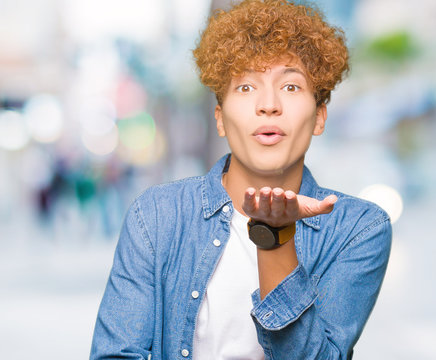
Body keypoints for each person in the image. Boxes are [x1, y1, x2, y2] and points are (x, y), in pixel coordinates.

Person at [90, 0, 392, 359]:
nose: (268, 104)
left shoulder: (358, 229)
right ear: (220, 118)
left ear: (319, 117)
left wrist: (275, 237)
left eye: (291, 87)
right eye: (246, 87)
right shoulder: (156, 216)